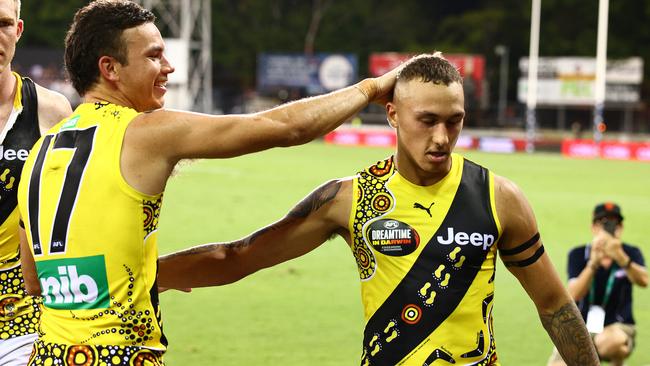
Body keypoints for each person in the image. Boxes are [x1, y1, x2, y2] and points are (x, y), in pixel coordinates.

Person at [15, 1, 402, 365]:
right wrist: (369, 89)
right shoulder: (144, 131)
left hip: (48, 353)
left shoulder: (38, 152)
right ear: (110, 69)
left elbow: (33, 280)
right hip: (120, 353)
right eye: (153, 55)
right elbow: (286, 128)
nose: (168, 67)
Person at [158, 54, 599, 365]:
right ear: (392, 114)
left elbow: (555, 306)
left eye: (454, 121)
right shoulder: (348, 199)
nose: (442, 137)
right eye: (427, 120)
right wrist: (146, 276)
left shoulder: (498, 197)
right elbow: (239, 257)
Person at [0, 0, 72, 364]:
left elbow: (72, 216)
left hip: (24, 324)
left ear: (18, 30)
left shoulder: (52, 111)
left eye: (3, 24)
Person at [548, 202, 648, 366]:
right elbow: (573, 295)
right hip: (580, 328)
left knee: (614, 342)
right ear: (594, 227)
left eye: (614, 223)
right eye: (604, 223)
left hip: (618, 327)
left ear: (621, 227)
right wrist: (593, 263)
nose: (610, 228)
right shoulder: (579, 254)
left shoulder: (630, 252)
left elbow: (644, 281)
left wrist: (621, 258)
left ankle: (585, 358)